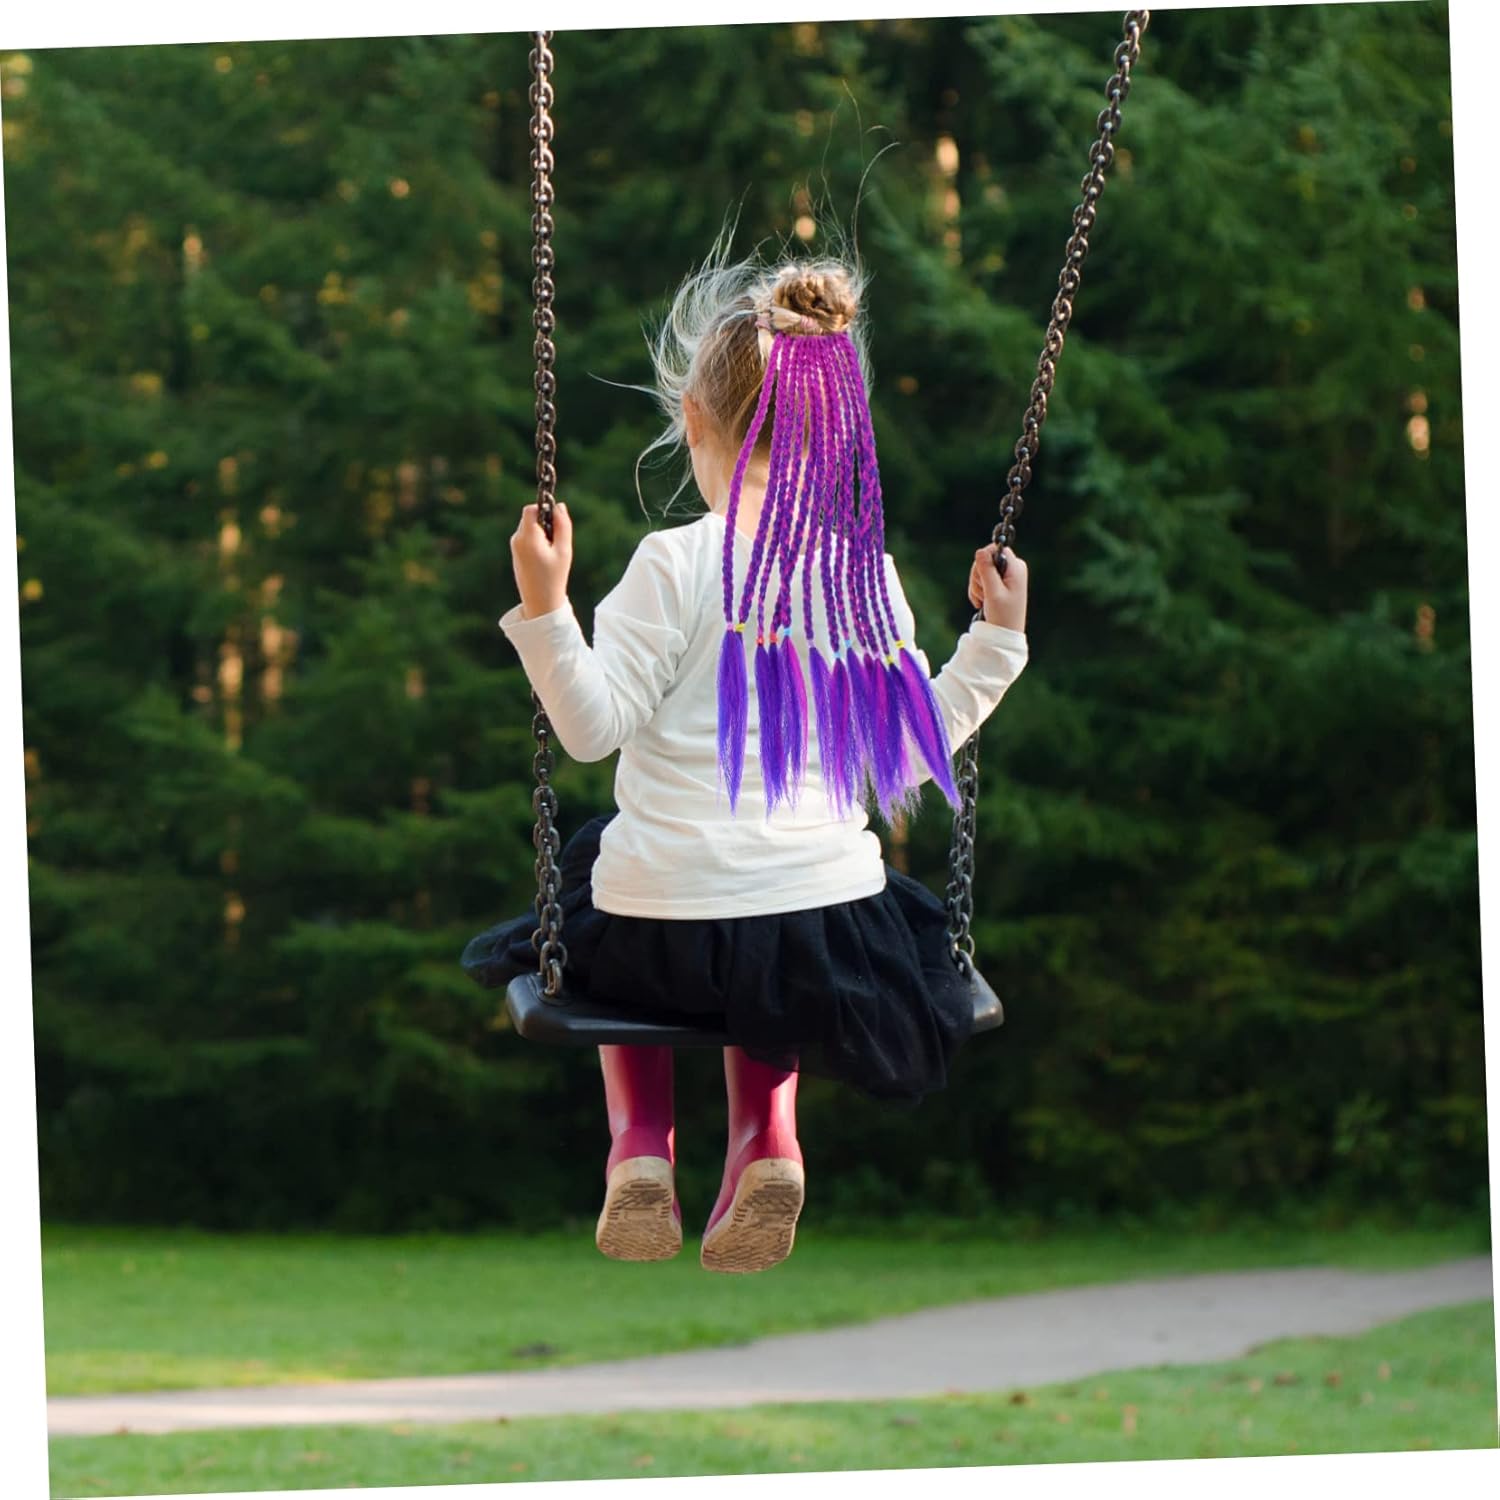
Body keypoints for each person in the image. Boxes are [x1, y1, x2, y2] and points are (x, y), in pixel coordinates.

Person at [462, 243, 1029, 1275]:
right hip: (822, 931)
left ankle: (640, 1145)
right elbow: (911, 754)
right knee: (774, 942)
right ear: (832, 437)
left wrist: (545, 606)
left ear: (694, 421)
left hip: (658, 934)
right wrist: (996, 641)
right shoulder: (863, 578)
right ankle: (769, 1140)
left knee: (603, 882)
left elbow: (589, 729)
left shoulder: (672, 562)